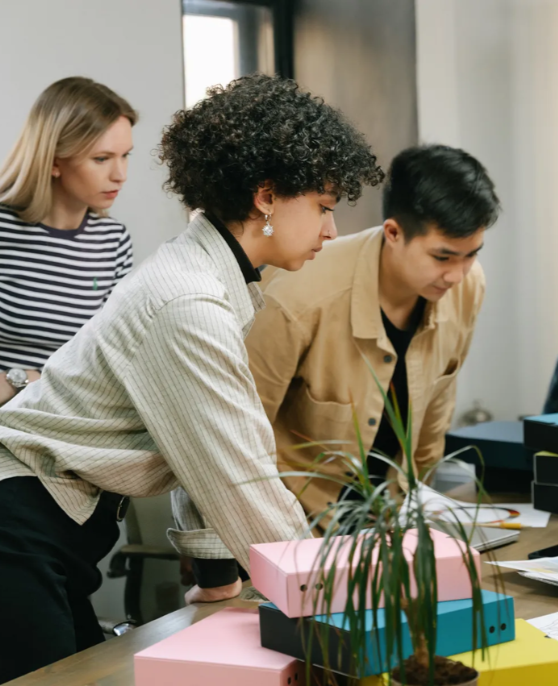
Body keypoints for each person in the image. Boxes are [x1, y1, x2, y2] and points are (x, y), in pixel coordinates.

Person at [0, 74, 383, 683]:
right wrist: (342, 613)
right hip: (16, 523)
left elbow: (195, 445)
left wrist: (217, 579)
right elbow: (241, 476)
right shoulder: (190, 301)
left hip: (48, 526)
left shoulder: (203, 279)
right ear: (266, 196)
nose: (331, 233)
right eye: (324, 208)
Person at [188, 145, 500, 591]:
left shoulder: (467, 285)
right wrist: (220, 570)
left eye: (471, 254)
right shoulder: (300, 293)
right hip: (290, 543)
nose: (457, 273)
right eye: (443, 257)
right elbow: (230, 441)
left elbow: (433, 418)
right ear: (393, 232)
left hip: (384, 533)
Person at [0, 77, 136, 406]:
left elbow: (111, 364)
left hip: (69, 421)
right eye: (102, 159)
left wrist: (18, 379)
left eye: (125, 155)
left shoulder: (114, 241)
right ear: (55, 160)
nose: (120, 175)